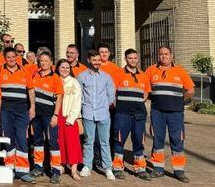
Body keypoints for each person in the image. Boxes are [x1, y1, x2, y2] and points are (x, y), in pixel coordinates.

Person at [145, 45, 194, 183]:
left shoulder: (180, 71)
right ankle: (158, 169)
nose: (164, 56)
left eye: (166, 54)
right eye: (161, 54)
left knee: (177, 141)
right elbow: (145, 88)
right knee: (157, 140)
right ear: (158, 56)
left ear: (171, 55)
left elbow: (190, 90)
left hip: (176, 113)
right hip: (157, 112)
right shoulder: (150, 70)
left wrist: (180, 100)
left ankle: (179, 171)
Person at [112, 48, 151, 181]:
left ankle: (140, 169)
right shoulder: (118, 74)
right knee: (119, 140)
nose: (133, 60)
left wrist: (139, 102)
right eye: (130, 58)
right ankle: (117, 168)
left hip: (139, 114)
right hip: (122, 114)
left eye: (135, 58)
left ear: (137, 58)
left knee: (139, 141)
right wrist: (119, 106)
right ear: (125, 59)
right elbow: (113, 93)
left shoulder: (143, 75)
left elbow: (146, 92)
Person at [0, 47, 34, 183]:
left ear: (17, 57)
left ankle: (22, 170)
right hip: (6, 111)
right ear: (5, 58)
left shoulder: (25, 71)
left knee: (21, 139)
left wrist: (32, 108)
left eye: (14, 57)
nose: (12, 59)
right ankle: (9, 169)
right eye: (9, 57)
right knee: (8, 139)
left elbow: (30, 90)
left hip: (22, 111)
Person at [77, 49, 116, 180]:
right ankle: (87, 166)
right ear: (89, 60)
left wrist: (104, 106)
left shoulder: (106, 77)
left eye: (99, 60)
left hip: (103, 114)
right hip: (88, 113)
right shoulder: (82, 77)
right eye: (94, 60)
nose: (97, 62)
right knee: (89, 141)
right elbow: (79, 96)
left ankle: (108, 168)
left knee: (105, 142)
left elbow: (111, 96)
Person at [29, 51, 64, 183]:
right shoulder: (35, 75)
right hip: (37, 115)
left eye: (46, 61)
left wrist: (55, 115)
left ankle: (55, 170)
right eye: (41, 60)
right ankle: (38, 167)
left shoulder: (56, 78)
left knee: (53, 142)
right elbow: (31, 93)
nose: (43, 63)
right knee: (37, 141)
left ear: (51, 63)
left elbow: (59, 98)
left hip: (50, 116)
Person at [55, 58, 83, 181]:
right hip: (57, 115)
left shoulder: (74, 82)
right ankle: (61, 165)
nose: (65, 70)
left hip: (69, 116)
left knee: (72, 143)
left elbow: (77, 102)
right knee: (59, 142)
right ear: (58, 68)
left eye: (67, 68)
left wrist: (71, 118)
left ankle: (73, 169)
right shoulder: (55, 80)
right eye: (62, 67)